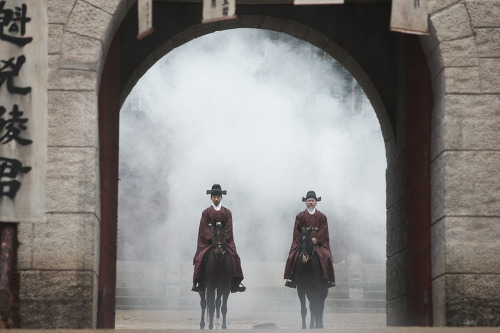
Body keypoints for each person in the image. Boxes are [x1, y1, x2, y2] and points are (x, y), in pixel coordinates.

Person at [192, 184, 246, 293]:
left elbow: (228, 228)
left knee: (235, 257)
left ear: (221, 197)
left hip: (223, 240)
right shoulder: (206, 212)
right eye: (214, 197)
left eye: (218, 197)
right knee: (200, 258)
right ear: (211, 198)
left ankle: (236, 282)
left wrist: (221, 239)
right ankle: (198, 282)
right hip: (209, 242)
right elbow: (204, 228)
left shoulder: (227, 212)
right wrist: (213, 238)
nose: (216, 199)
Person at [284, 190, 336, 288]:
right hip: (303, 242)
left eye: (312, 200)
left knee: (326, 255)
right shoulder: (300, 216)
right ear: (306, 202)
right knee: (292, 256)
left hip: (317, 243)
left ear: (316, 202)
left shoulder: (322, 216)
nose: (310, 202)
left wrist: (317, 239)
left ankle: (328, 279)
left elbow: (324, 230)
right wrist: (301, 241)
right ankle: (291, 279)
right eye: (309, 200)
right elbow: (296, 230)